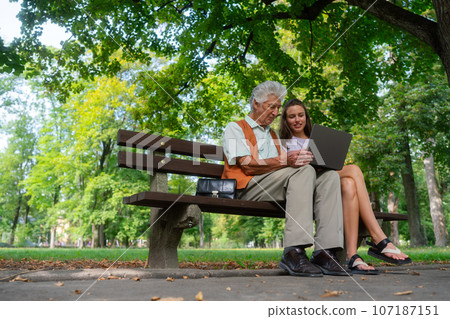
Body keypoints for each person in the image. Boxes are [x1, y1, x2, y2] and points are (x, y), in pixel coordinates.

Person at [222, 81, 347, 277]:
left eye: (278, 108)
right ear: (256, 104)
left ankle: (325, 252)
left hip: (274, 186)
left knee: (330, 177)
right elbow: (247, 164)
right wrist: (286, 160)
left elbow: (284, 167)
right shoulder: (236, 128)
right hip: (247, 186)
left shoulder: (273, 135)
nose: (275, 112)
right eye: (271, 106)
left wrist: (305, 160)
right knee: (303, 171)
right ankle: (293, 251)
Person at [279, 98, 412, 275]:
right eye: (292, 116)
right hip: (305, 188)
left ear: (306, 117)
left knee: (349, 184)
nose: (297, 120)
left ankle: (352, 256)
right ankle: (379, 239)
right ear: (285, 120)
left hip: (326, 182)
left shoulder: (316, 140)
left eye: (301, 115)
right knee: (354, 170)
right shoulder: (282, 143)